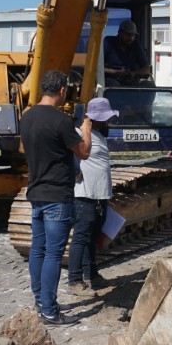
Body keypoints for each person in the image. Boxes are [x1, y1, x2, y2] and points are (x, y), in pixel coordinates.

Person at [20, 70, 92, 324]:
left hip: (36, 193)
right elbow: (83, 151)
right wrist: (86, 129)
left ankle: (40, 300)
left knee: (37, 250)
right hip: (58, 197)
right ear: (62, 90)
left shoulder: (26, 118)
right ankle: (50, 311)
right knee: (53, 254)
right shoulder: (61, 121)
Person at [66, 96, 118, 294]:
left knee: (93, 237)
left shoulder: (99, 134)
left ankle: (92, 274)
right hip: (85, 195)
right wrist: (75, 172)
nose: (108, 122)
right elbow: (70, 156)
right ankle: (74, 280)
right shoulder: (80, 133)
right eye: (105, 118)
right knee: (81, 237)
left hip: (100, 195)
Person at [103, 20, 151, 85]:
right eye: (128, 34)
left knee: (149, 85)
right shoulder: (108, 42)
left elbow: (146, 68)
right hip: (112, 78)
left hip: (131, 78)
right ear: (119, 33)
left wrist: (133, 73)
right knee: (112, 85)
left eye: (133, 35)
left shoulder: (136, 45)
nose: (131, 38)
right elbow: (97, 67)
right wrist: (115, 72)